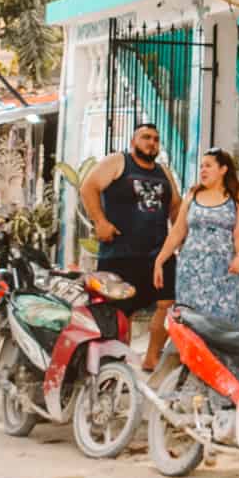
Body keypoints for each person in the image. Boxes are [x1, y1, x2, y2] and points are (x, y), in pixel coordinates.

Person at [79, 125, 180, 371]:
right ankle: (119, 362)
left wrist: (180, 236)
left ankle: (152, 357)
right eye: (146, 137)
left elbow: (176, 205)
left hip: (157, 253)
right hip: (121, 252)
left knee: (168, 304)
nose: (151, 143)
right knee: (122, 312)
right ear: (133, 140)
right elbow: (87, 187)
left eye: (156, 139)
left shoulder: (163, 171)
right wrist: (100, 222)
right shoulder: (118, 161)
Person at [154, 151, 239, 326]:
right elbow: (178, 231)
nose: (203, 170)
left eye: (208, 166)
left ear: (223, 169)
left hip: (223, 270)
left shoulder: (237, 198)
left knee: (222, 322)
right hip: (191, 270)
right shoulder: (192, 194)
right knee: (190, 322)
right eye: (201, 166)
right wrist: (160, 261)